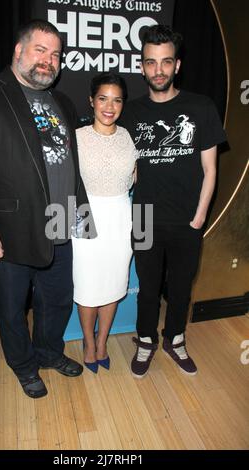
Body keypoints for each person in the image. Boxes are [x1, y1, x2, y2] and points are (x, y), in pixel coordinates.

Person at [0, 19, 95, 398]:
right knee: (12, 309)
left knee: (58, 299)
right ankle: (24, 365)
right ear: (18, 51)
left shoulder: (62, 101)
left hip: (60, 222)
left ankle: (48, 353)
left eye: (56, 54)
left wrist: (80, 219)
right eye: (40, 50)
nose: (49, 61)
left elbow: (69, 166)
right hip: (7, 229)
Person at [120, 25, 226, 378]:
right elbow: (128, 168)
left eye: (166, 62)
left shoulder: (200, 106)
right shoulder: (130, 113)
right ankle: (147, 339)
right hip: (146, 218)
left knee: (181, 288)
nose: (159, 70)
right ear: (142, 67)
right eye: (151, 63)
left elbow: (210, 170)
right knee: (147, 288)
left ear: (177, 65)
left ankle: (175, 339)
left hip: (187, 221)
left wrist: (198, 219)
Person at [72, 73, 138, 373]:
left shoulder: (129, 136)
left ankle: (102, 342)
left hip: (121, 216)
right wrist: (57, 227)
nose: (109, 106)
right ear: (91, 101)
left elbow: (136, 179)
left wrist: (142, 225)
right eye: (103, 98)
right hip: (84, 214)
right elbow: (65, 184)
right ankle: (88, 342)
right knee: (87, 286)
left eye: (117, 100)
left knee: (113, 284)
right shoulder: (77, 137)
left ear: (123, 104)